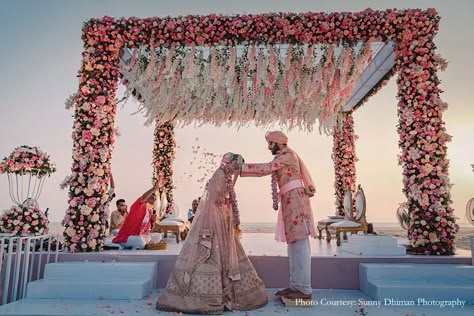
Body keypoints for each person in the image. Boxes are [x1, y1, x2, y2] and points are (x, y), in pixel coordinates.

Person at [156, 153, 268, 314]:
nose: (236, 171)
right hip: (215, 219)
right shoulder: (220, 174)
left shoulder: (226, 175)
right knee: (210, 253)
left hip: (221, 217)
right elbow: (215, 199)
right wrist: (225, 213)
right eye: (236, 166)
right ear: (230, 164)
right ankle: (207, 296)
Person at [239, 131, 316, 300]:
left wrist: (240, 167)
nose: (268, 147)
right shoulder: (284, 155)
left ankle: (304, 289)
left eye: (270, 143)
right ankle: (295, 285)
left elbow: (266, 168)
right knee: (294, 245)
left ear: (279, 143)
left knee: (301, 246)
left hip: (296, 203)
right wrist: (241, 169)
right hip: (290, 202)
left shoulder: (287, 155)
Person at [112, 180, 160, 250]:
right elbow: (143, 198)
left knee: (158, 236)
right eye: (152, 198)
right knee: (139, 241)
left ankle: (141, 244)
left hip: (140, 235)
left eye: (155, 199)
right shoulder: (138, 206)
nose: (154, 200)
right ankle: (132, 244)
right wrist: (154, 189)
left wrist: (152, 221)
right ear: (147, 199)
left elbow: (148, 231)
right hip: (127, 236)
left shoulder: (149, 211)